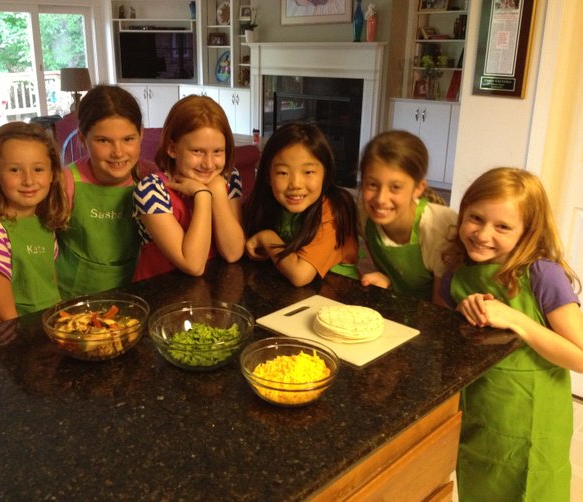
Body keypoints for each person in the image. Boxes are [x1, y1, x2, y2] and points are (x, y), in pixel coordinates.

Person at [442, 167, 583, 502]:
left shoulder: (542, 275)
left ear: (527, 233)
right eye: (475, 218)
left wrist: (517, 320)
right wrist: (465, 312)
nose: (482, 233)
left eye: (503, 226)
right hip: (479, 419)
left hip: (532, 426)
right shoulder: (456, 276)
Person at [0, 122, 69, 335]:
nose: (28, 180)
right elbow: (3, 317)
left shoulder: (42, 223)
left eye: (38, 169)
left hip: (35, 335)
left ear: (52, 173)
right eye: (15, 170)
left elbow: (48, 287)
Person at [132, 95, 244, 280]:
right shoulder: (151, 190)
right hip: (161, 295)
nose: (208, 164)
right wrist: (203, 195)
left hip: (211, 293)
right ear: (172, 149)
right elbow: (193, 265)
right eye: (197, 151)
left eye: (217, 151)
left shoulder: (228, 180)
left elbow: (232, 252)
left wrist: (216, 190)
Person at [56, 85, 152, 298]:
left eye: (128, 139)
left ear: (141, 135)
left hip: (131, 298)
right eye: (103, 140)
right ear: (83, 139)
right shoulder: (66, 182)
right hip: (72, 303)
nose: (118, 152)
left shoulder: (149, 181)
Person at [243, 122, 358, 287]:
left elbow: (300, 275)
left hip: (339, 299)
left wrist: (266, 238)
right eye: (283, 172)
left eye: (309, 172)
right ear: (268, 176)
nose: (295, 184)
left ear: (326, 174)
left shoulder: (333, 208)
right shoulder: (269, 202)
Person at [357, 129, 457, 304]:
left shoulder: (439, 227)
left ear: (418, 188)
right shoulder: (364, 214)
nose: (380, 199)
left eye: (395, 187)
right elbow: (388, 270)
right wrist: (386, 279)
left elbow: (441, 305)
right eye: (372, 184)